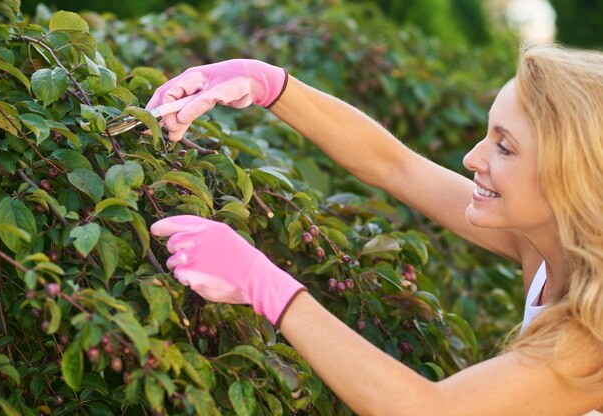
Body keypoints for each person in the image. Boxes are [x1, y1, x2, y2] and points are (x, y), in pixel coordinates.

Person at [146, 44, 603, 415]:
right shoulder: (549, 247)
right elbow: (396, 166)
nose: (473, 159)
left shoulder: (592, 338)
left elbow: (425, 410)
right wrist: (267, 83)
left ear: (572, 175)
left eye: (504, 147)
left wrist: (263, 283)